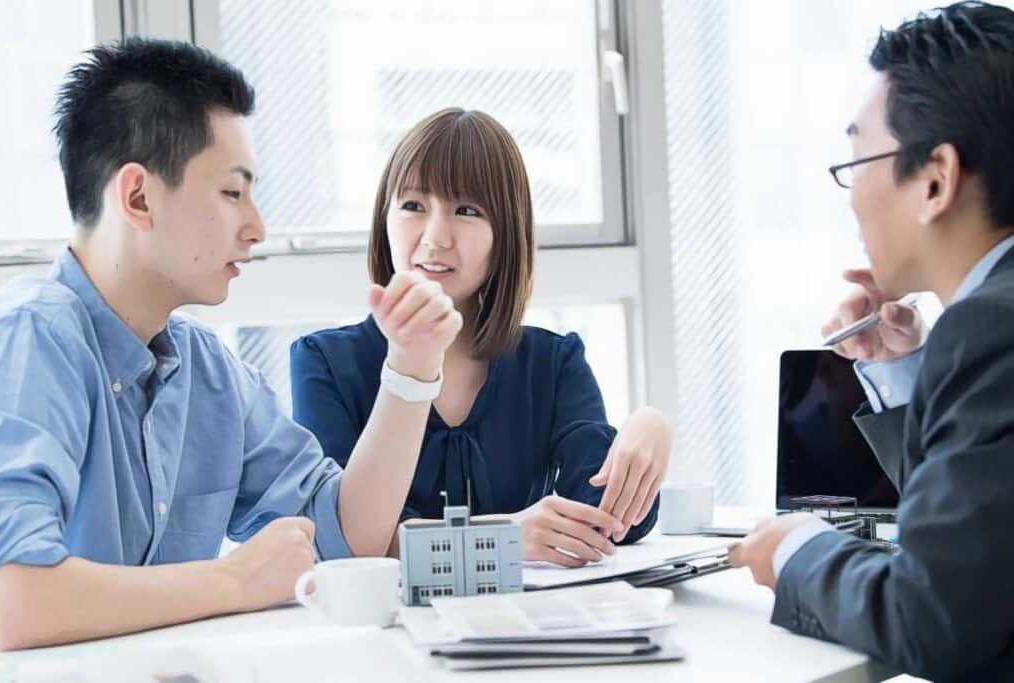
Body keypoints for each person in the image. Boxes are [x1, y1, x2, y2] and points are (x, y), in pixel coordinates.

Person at [0, 38, 460, 651]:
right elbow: (15, 601)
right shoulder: (29, 340)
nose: (257, 227)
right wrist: (234, 578)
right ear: (138, 197)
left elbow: (346, 538)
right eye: (232, 193)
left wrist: (411, 366)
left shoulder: (205, 368)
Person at [729, 2, 1014, 679]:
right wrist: (912, 371)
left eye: (858, 158)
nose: (850, 194)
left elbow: (934, 618)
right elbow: (976, 550)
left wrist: (802, 548)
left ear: (936, 179)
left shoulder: (989, 329)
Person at [291, 108, 671, 567]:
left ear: (505, 232)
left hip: (521, 625)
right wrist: (500, 537)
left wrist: (648, 430)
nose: (434, 238)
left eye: (467, 210)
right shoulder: (326, 362)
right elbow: (336, 539)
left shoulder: (552, 362)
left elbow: (602, 524)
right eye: (413, 206)